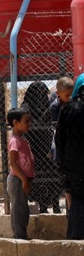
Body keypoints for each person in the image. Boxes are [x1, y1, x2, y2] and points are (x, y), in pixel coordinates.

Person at [22, 82, 61, 214]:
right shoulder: (26, 107)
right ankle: (43, 205)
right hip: (33, 151)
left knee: (54, 176)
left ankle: (55, 204)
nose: (43, 96)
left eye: (44, 94)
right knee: (38, 179)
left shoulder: (47, 105)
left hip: (48, 149)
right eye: (40, 93)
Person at [55, 73, 84, 239]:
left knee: (77, 201)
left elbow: (60, 141)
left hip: (74, 167)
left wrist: (63, 165)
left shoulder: (67, 109)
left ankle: (76, 240)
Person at [6, 108, 34, 240]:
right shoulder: (15, 141)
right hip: (18, 180)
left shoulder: (22, 139)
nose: (29, 123)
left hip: (22, 179)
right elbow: (13, 163)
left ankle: (21, 236)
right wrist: (24, 180)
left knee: (22, 209)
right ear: (15, 122)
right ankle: (19, 238)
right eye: (26, 121)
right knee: (19, 211)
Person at [50, 76, 74, 211]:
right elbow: (56, 128)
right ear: (58, 94)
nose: (69, 98)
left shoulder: (71, 104)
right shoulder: (55, 106)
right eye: (67, 95)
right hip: (60, 142)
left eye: (71, 95)